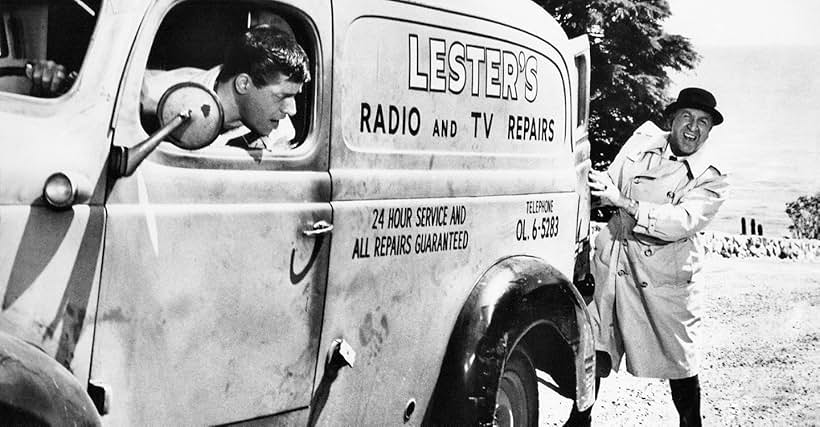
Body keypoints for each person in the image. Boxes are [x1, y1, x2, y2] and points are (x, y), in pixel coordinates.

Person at [571, 87, 728, 427]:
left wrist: (623, 202)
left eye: (703, 122)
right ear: (672, 118)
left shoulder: (711, 176)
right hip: (614, 261)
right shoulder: (641, 140)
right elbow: (611, 184)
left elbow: (680, 222)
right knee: (596, 344)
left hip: (665, 277)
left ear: (710, 130)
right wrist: (591, 192)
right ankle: (580, 420)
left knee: (680, 362)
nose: (693, 128)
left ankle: (691, 423)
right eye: (687, 117)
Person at [26, 24, 310, 151]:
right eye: (283, 96)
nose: (292, 110)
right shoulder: (165, 89)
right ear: (243, 84)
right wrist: (57, 81)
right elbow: (103, 95)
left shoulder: (282, 134)